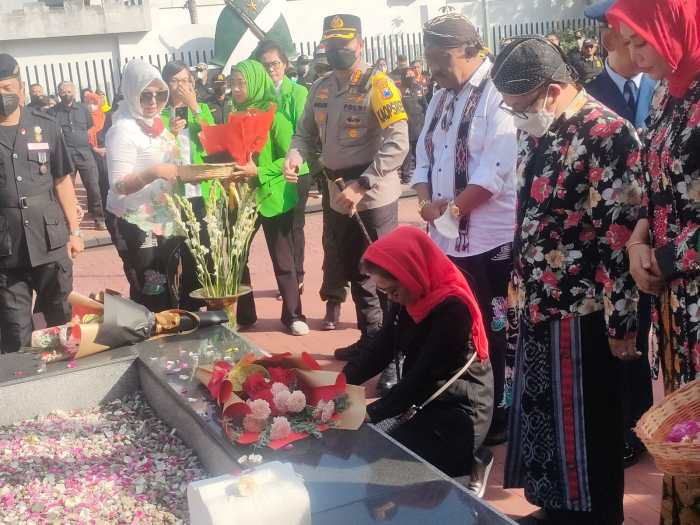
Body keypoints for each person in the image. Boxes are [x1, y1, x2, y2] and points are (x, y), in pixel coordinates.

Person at [492, 37, 643, 525]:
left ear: (553, 90)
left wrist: (621, 322)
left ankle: (594, 517)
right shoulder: (539, 129)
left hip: (587, 312)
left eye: (520, 107)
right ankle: (556, 507)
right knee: (546, 420)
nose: (515, 117)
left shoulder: (608, 134)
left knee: (589, 426)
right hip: (540, 302)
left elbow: (617, 237)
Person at [608, 1, 700, 523]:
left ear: (674, 27)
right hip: (674, 301)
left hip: (690, 287)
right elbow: (657, 185)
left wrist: (663, 256)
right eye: (628, 41)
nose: (632, 54)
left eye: (641, 40)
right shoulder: (668, 89)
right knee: (684, 428)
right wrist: (639, 238)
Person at [412, 13, 517, 448]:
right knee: (457, 326)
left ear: (469, 52)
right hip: (446, 239)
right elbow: (422, 157)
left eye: (440, 59)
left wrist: (453, 207)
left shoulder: (498, 94)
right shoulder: (440, 96)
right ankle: (470, 401)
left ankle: (502, 411)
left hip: (490, 241)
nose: (433, 70)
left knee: (495, 329)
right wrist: (425, 202)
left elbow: (497, 169)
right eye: (430, 59)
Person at [285, 14, 409, 358]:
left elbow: (398, 141)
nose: (339, 50)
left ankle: (392, 357)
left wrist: (364, 182)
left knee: (385, 275)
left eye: (345, 43)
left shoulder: (378, 85)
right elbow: (303, 133)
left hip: (372, 194)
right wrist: (295, 156)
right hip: (337, 192)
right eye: (332, 44)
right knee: (356, 270)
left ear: (360, 44)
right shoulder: (321, 86)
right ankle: (371, 339)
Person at [342, 226, 494, 491]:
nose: (390, 299)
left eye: (391, 291)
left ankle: (470, 467)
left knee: (384, 472)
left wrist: (370, 412)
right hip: (421, 401)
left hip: (459, 409)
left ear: (409, 274)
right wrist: (338, 383)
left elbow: (422, 376)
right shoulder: (409, 293)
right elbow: (380, 348)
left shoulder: (453, 309)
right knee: (364, 454)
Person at [584, 0, 658, 469]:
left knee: (647, 326)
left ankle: (649, 419)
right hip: (608, 239)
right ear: (610, 39)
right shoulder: (586, 94)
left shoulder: (666, 87)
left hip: (655, 235)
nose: (639, 44)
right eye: (630, 35)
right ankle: (625, 424)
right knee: (617, 332)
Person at [0, 53, 84, 354]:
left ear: (21, 88)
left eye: (8, 88)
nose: (2, 95)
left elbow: (62, 180)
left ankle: (66, 381)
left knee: (60, 321)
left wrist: (75, 232)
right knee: (14, 331)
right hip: (6, 251)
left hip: (49, 241)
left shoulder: (46, 126)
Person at [230, 59, 310, 336]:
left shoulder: (273, 116)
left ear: (255, 82)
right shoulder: (233, 114)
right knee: (236, 255)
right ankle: (244, 313)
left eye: (242, 83)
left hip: (273, 196)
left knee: (283, 258)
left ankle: (294, 314)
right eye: (234, 83)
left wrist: (259, 170)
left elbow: (293, 156)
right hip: (242, 198)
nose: (237, 89)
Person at [105, 59, 183, 312]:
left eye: (160, 94)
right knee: (151, 284)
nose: (153, 102)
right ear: (131, 93)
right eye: (145, 95)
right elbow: (118, 185)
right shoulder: (122, 130)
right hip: (134, 219)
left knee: (169, 277)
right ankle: (151, 339)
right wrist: (154, 172)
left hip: (162, 216)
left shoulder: (158, 125)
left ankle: (165, 330)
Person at [254, 40, 311, 300]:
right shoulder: (260, 96)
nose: (271, 70)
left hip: (296, 167)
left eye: (275, 64)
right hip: (271, 170)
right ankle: (288, 274)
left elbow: (303, 132)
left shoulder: (297, 92)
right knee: (277, 227)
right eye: (265, 66)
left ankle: (297, 275)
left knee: (294, 225)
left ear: (285, 65)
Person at [160, 60, 216, 310]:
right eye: (175, 81)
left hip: (200, 192)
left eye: (184, 80)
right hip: (174, 196)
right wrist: (170, 133)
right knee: (177, 252)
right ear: (166, 85)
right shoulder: (160, 114)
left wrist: (195, 108)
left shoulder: (201, 108)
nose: (180, 86)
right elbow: (154, 155)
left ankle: (201, 303)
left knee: (202, 251)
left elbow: (215, 143)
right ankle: (181, 306)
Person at [49, 81, 106, 230]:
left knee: (93, 187)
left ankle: (99, 218)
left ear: (74, 92)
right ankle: (69, 222)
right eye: (62, 91)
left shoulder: (83, 109)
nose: (66, 94)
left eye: (68, 91)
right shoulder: (53, 112)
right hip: (65, 155)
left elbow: (89, 127)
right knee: (67, 190)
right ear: (58, 93)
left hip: (84, 153)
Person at [398, 67, 427, 185]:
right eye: (407, 75)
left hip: (419, 124)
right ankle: (405, 176)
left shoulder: (419, 88)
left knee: (420, 151)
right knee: (407, 152)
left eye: (411, 74)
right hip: (406, 126)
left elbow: (425, 106)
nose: (410, 77)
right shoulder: (399, 90)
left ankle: (422, 175)